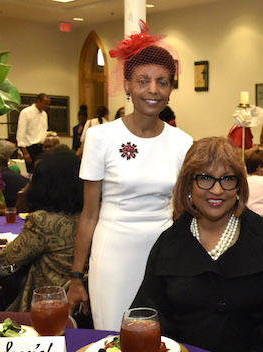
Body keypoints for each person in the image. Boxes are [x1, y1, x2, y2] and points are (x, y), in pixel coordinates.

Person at [67, 24, 193, 331]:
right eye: (143, 81)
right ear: (126, 84)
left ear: (171, 88)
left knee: (158, 341)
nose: (153, 90)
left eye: (163, 82)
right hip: (114, 254)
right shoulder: (101, 137)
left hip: (163, 254)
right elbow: (88, 214)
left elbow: (183, 210)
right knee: (113, 336)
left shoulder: (183, 142)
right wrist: (75, 276)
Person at [131, 137, 263, 352]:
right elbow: (150, 317)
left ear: (239, 185)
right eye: (205, 178)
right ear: (188, 185)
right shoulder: (168, 244)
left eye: (227, 179)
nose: (217, 190)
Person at [0, 151, 83, 312]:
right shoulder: (92, 216)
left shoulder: (42, 221)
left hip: (50, 302)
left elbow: (7, 257)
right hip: (86, 298)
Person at [16, 93, 50, 173]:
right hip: (30, 147)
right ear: (39, 101)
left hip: (42, 147)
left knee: (42, 172)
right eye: (46, 103)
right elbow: (20, 134)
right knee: (32, 173)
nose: (47, 106)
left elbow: (43, 131)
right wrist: (25, 153)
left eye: (48, 104)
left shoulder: (44, 114)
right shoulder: (26, 112)